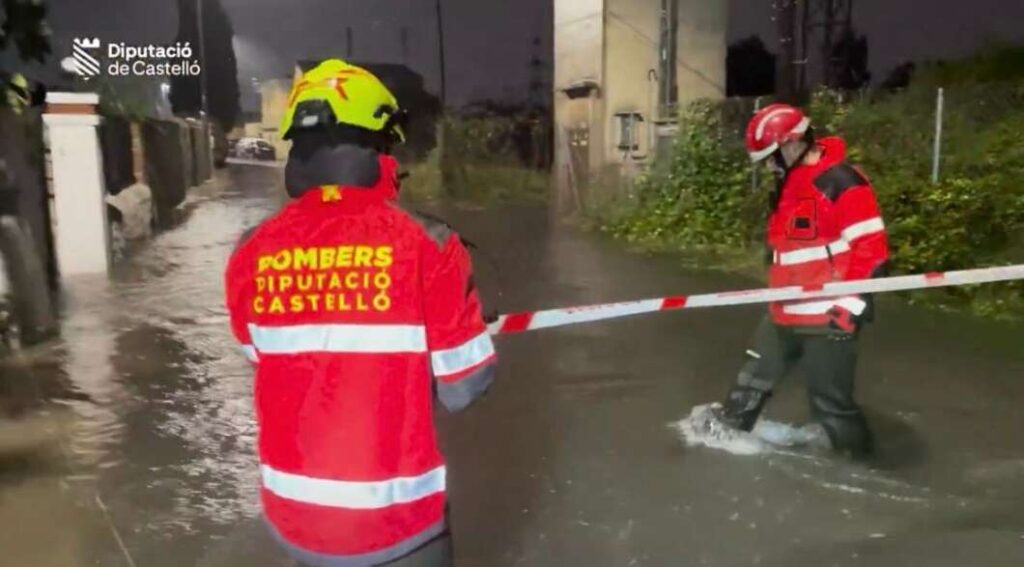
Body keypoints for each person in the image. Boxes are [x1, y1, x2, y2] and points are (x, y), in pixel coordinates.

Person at [224, 59, 498, 567]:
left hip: (294, 522)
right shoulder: (429, 244)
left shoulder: (249, 251)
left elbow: (263, 353)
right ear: (381, 146)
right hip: (399, 528)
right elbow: (464, 387)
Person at [708, 103, 889, 458]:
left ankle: (864, 471)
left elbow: (872, 252)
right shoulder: (788, 184)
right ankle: (719, 445)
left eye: (770, 157)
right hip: (783, 311)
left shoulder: (841, 182)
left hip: (829, 318)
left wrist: (849, 308)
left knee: (831, 404)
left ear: (792, 145)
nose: (767, 166)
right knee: (752, 379)